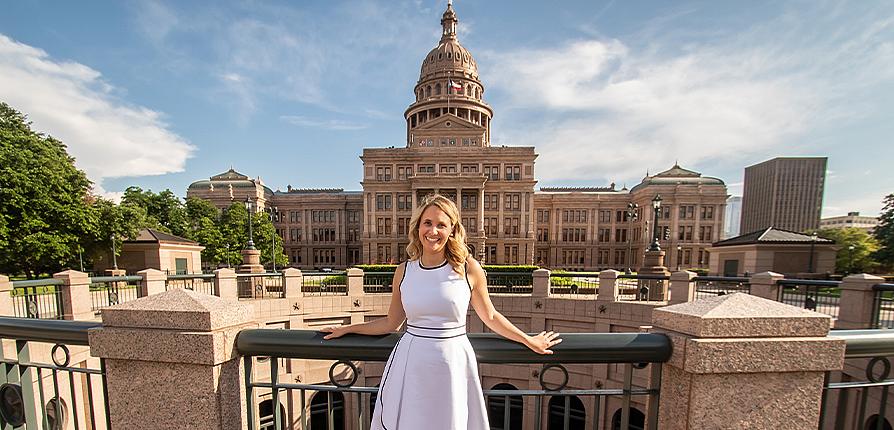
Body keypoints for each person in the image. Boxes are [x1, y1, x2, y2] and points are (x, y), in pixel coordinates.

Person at [320, 194, 562, 429]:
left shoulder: (468, 268)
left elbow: (490, 316)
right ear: (417, 228)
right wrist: (348, 329)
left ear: (452, 230)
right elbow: (391, 323)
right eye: (427, 223)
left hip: (452, 363)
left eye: (441, 225)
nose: (433, 231)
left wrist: (528, 340)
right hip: (411, 363)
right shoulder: (403, 271)